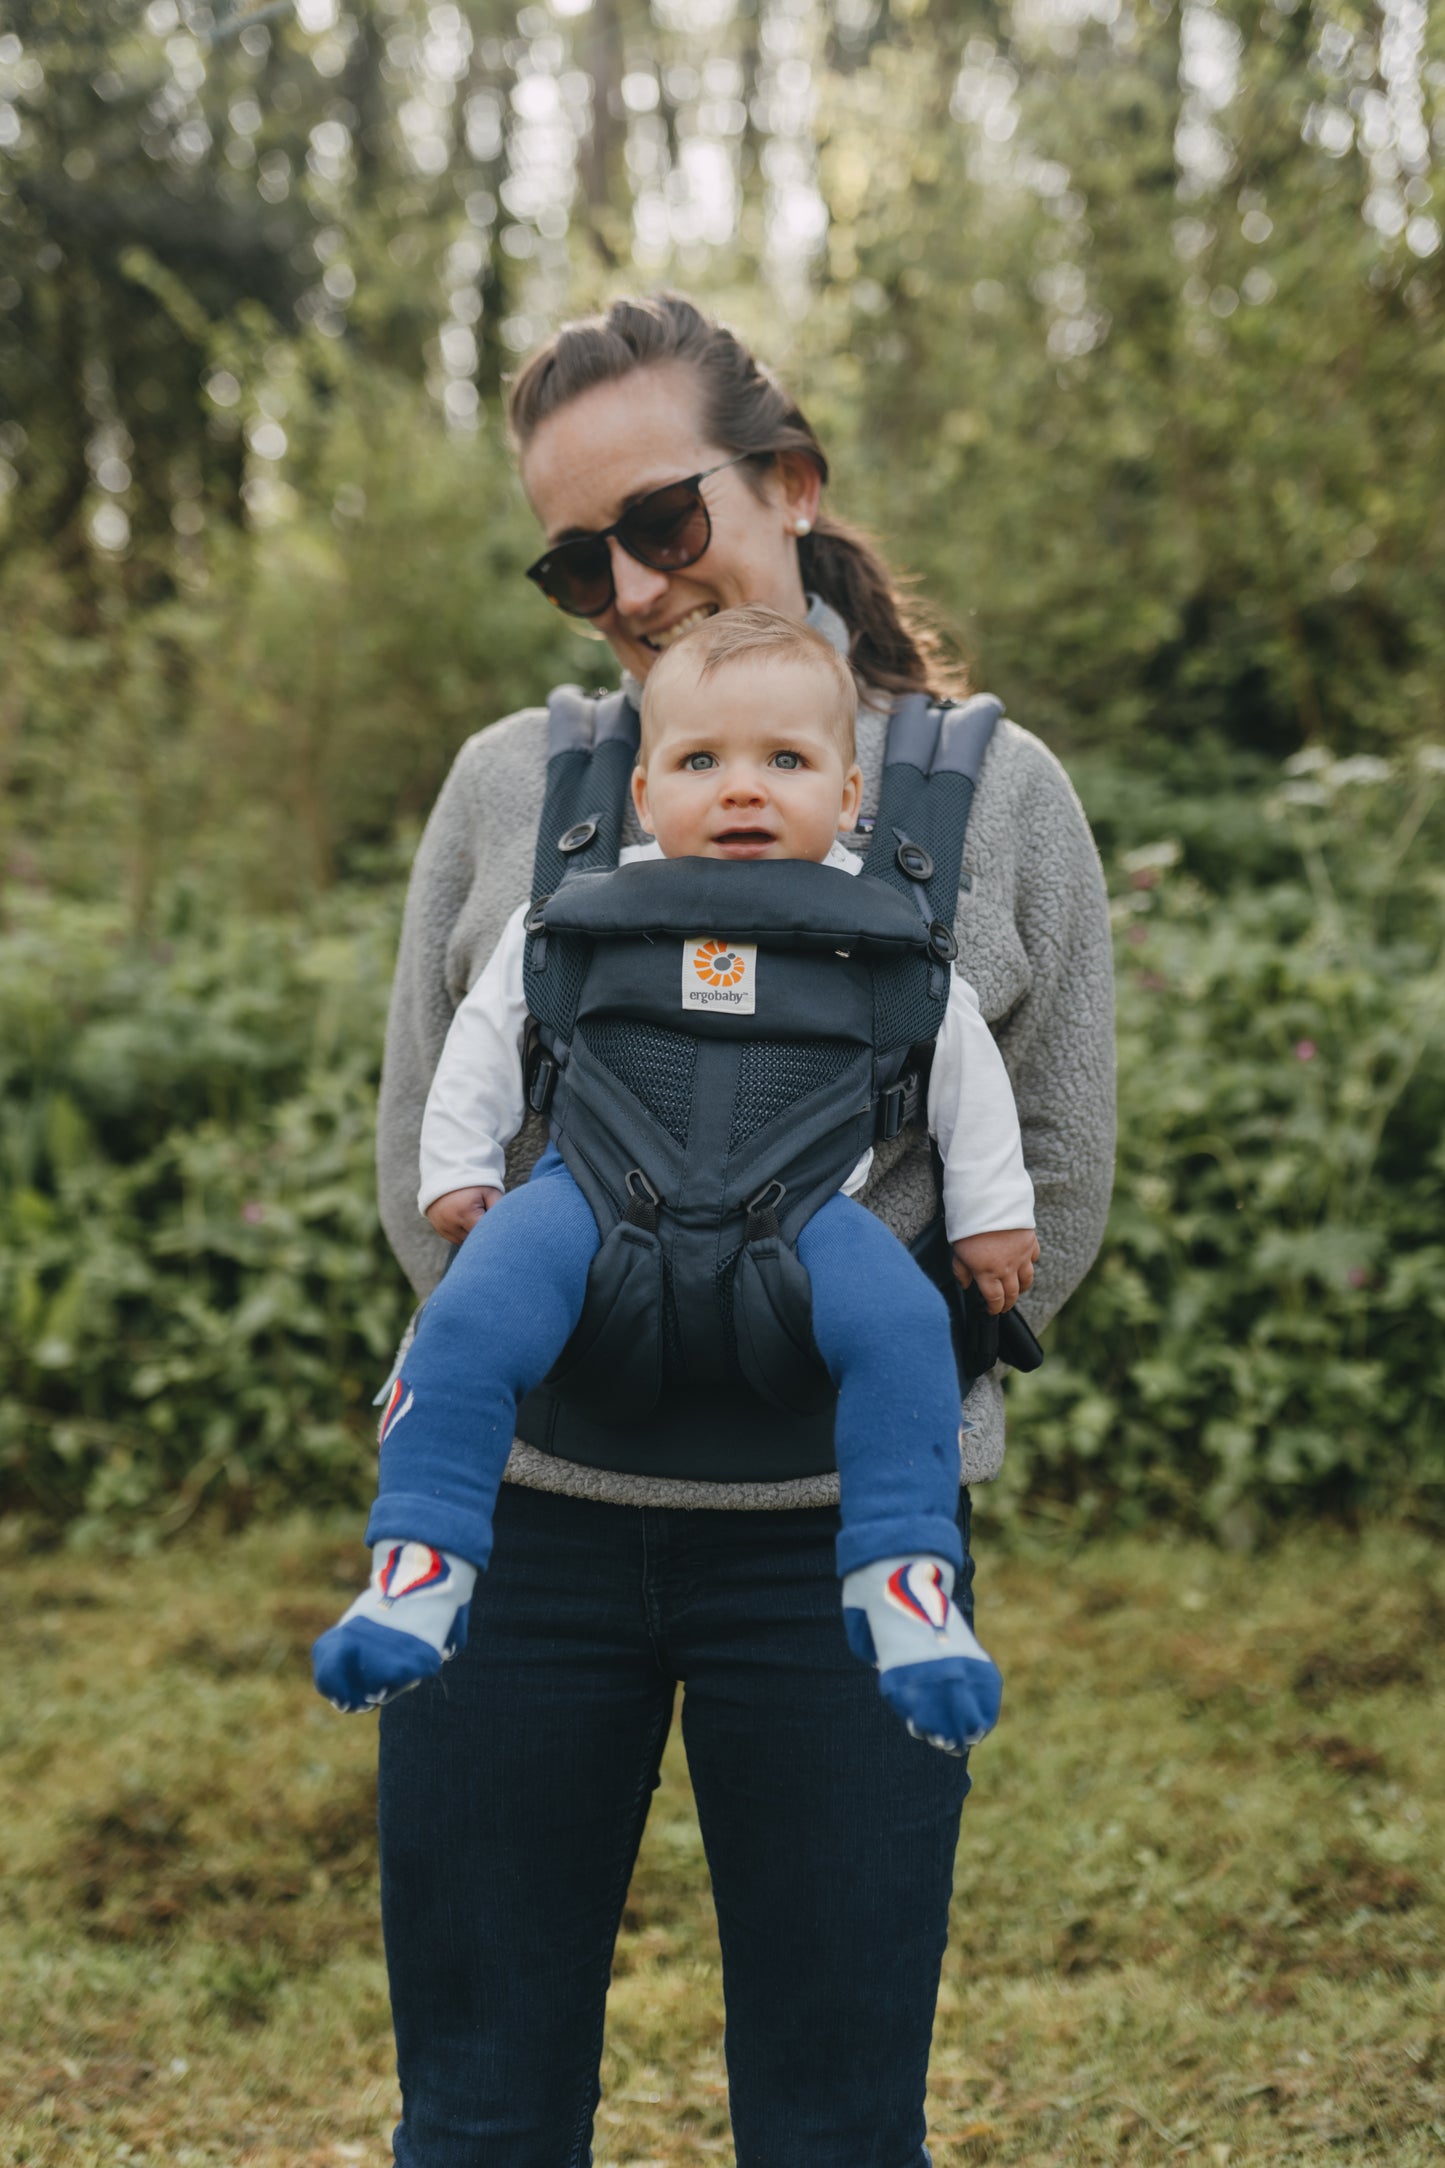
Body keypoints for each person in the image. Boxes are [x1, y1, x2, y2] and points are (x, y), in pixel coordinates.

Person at [370, 294, 1115, 2168]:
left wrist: (816, 1327)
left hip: (840, 1554)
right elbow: (422, 1155)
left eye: (665, 520)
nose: (628, 584)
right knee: (476, 2113)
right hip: (524, 1537)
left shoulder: (992, 798)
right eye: (574, 556)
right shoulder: (510, 788)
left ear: (788, 480)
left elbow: (1058, 1179)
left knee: (839, 2122)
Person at [314, 606, 1038, 1755]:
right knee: (468, 1316)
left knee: (903, 1325)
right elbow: (485, 1033)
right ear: (645, 795)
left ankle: (904, 1579)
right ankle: (420, 1558)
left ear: (850, 796)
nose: (741, 789)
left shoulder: (879, 931)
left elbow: (965, 1075)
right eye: (701, 761)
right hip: (586, 1195)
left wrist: (993, 1220)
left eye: (785, 761)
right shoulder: (577, 912)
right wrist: (454, 1166)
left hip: (807, 1217)